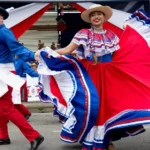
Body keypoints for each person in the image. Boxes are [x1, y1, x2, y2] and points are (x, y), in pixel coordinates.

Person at [36, 4, 150, 150]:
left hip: (110, 75)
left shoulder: (112, 35)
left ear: (104, 17)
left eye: (99, 14)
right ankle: (91, 138)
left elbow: (117, 56)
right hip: (90, 74)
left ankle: (107, 140)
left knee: (109, 107)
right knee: (92, 107)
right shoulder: (83, 33)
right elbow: (68, 50)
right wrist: (47, 53)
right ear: (90, 19)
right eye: (93, 15)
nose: (96, 17)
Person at [0, 7, 44, 150]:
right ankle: (3, 136)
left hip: (4, 73)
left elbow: (17, 48)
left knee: (5, 108)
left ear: (2, 18)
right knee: (2, 107)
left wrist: (34, 56)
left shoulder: (4, 32)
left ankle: (34, 136)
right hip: (3, 72)